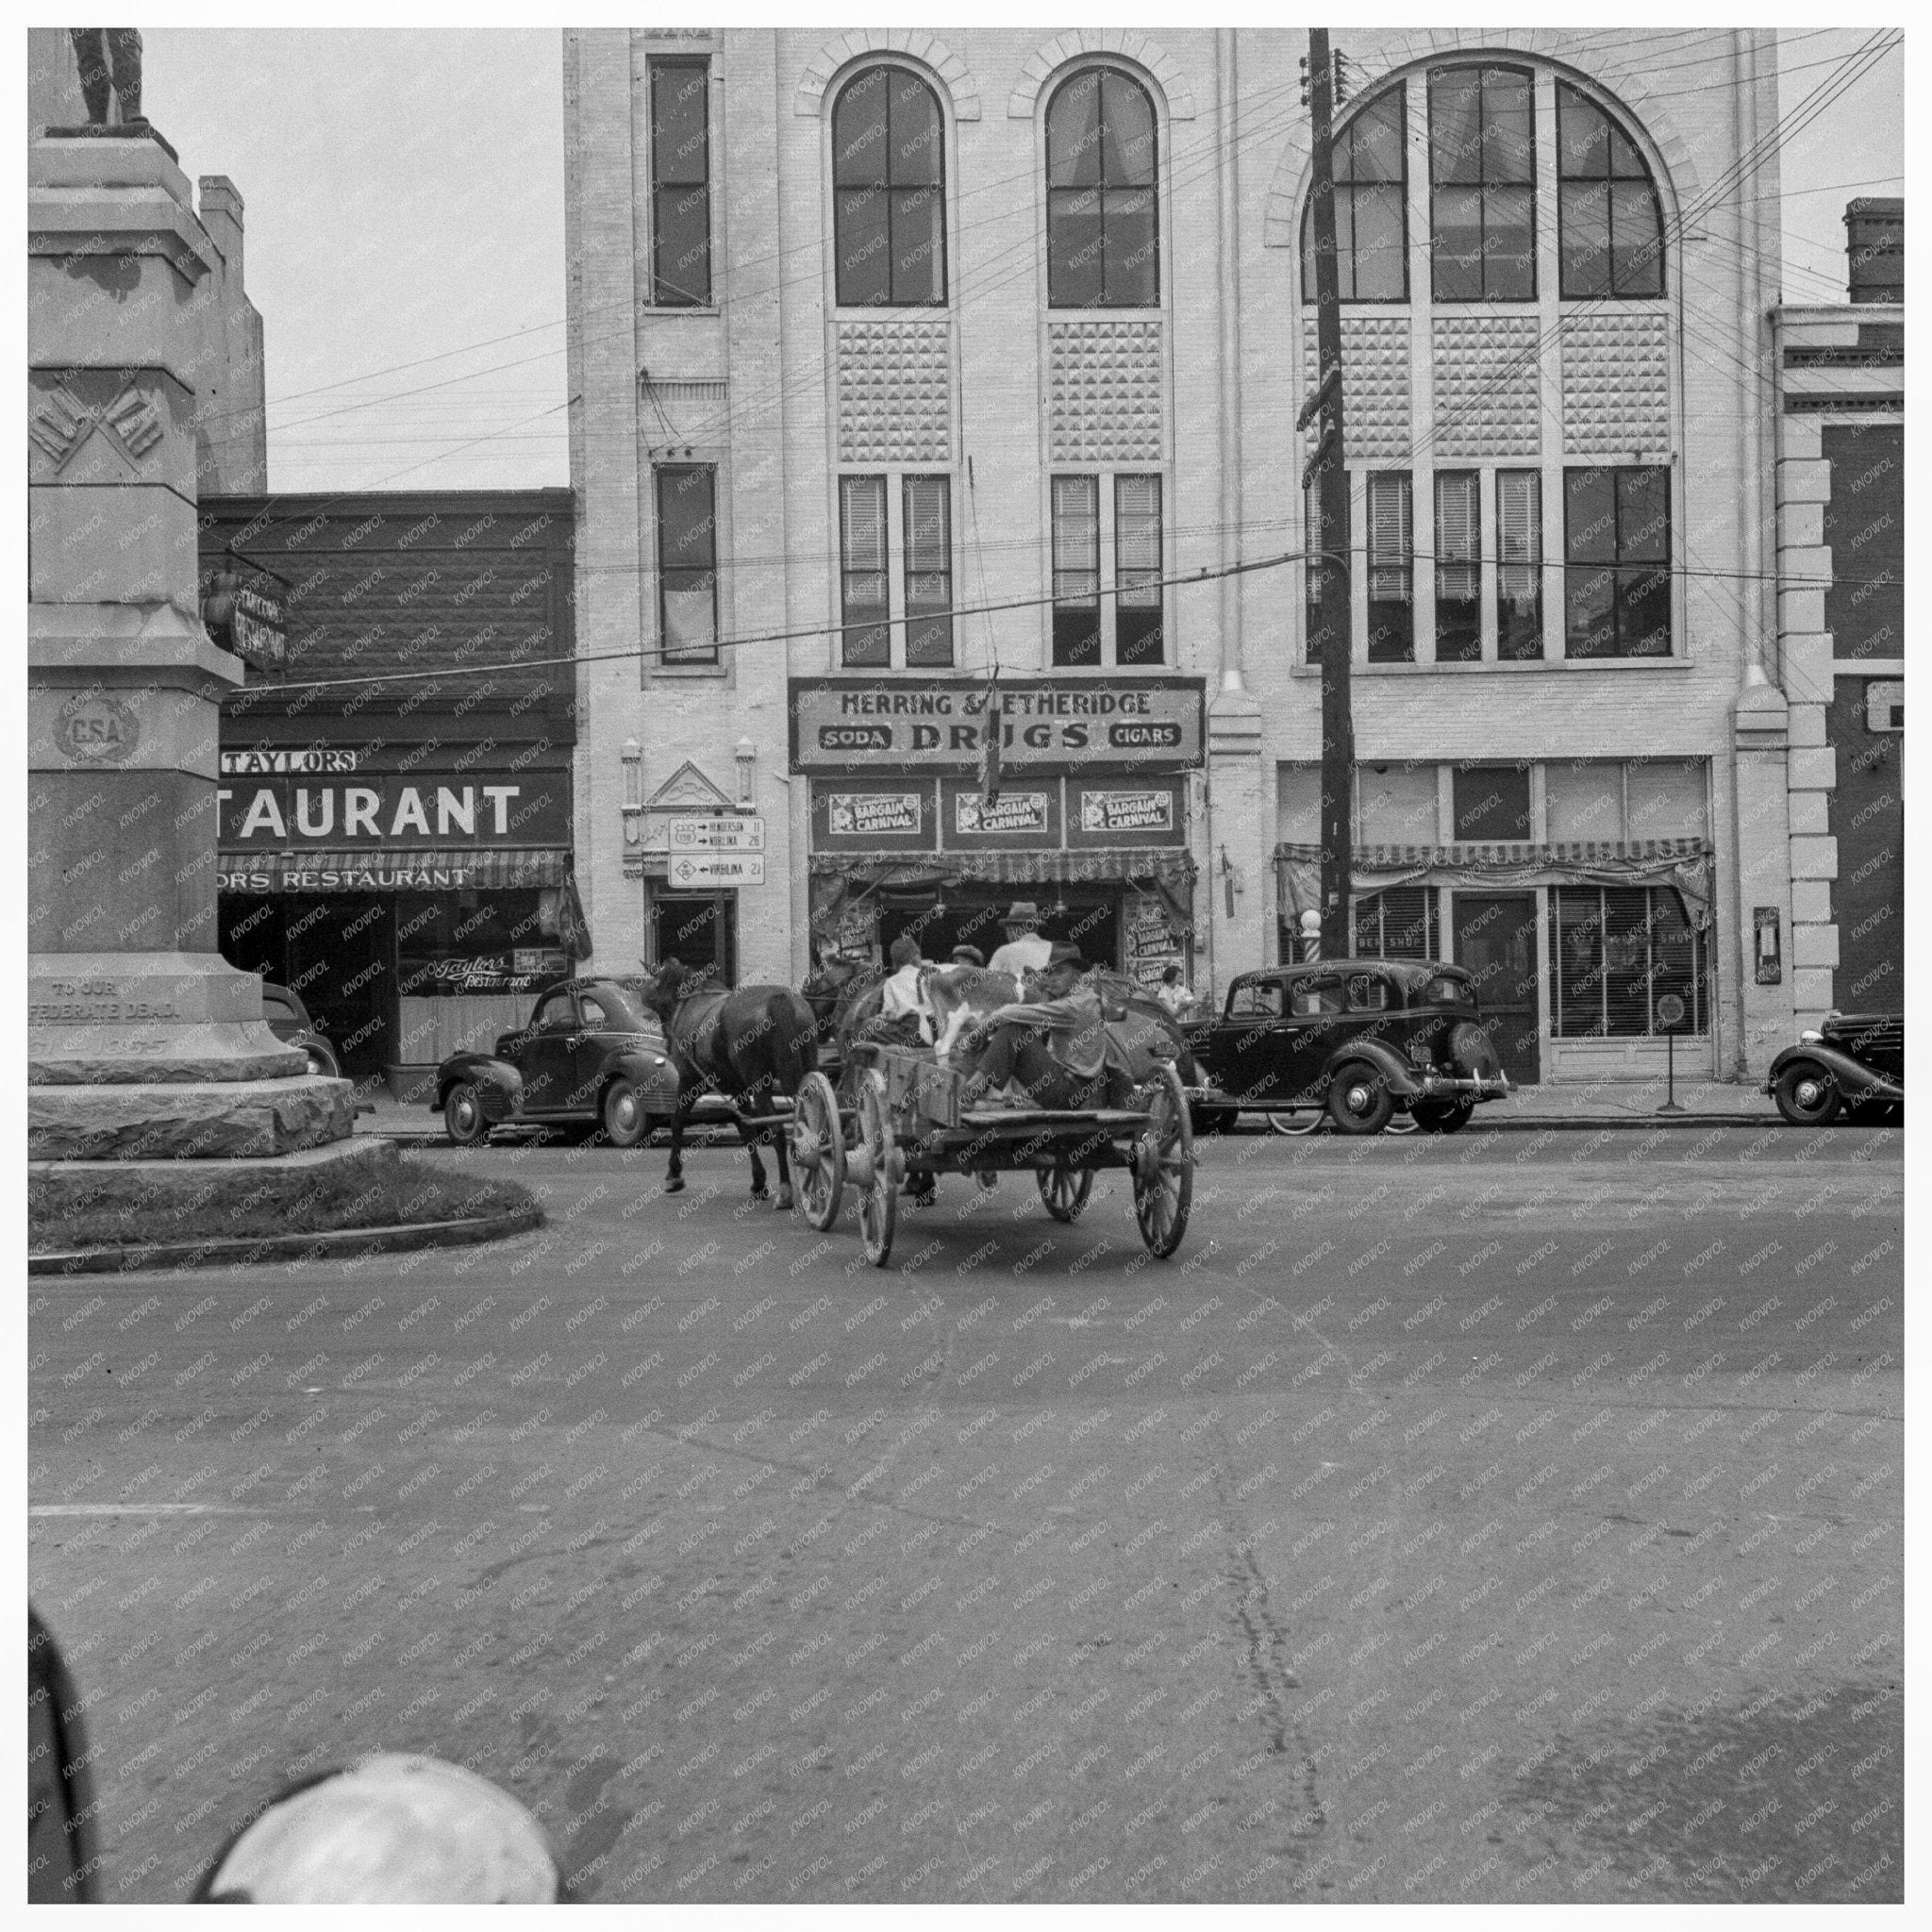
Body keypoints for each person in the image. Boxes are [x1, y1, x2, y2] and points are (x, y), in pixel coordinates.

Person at [962, 943, 1110, 1109]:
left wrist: (978, 1031)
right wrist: (1046, 992)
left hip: (1070, 1091)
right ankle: (973, 1089)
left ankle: (970, 1091)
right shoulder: (1083, 997)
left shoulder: (1073, 1006)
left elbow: (1008, 1012)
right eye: (1050, 972)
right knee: (1015, 1032)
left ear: (1076, 975)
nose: (1053, 978)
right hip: (1069, 1084)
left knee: (1014, 1031)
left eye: (1060, 972)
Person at [876, 934, 934, 1044]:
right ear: (916, 956)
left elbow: (891, 1015)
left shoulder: (891, 981)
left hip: (911, 1033)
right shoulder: (929, 977)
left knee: (869, 1025)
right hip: (934, 1032)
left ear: (895, 961)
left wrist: (881, 1016)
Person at [987, 901, 1053, 978]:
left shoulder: (1004, 952)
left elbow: (990, 984)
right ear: (1036, 927)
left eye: (1007, 928)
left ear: (1010, 929)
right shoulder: (1053, 948)